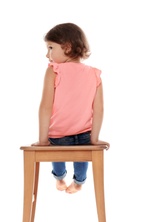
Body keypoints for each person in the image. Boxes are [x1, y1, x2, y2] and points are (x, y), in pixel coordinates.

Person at [32, 22, 109, 194]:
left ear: (67, 47)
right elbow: (99, 110)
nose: (47, 54)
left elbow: (45, 107)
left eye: (50, 48)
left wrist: (43, 139)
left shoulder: (54, 70)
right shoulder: (94, 74)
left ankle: (66, 179)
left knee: (64, 164)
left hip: (60, 135)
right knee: (76, 165)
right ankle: (71, 180)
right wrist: (94, 138)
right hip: (78, 135)